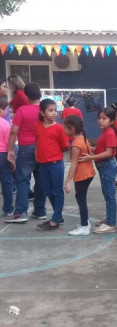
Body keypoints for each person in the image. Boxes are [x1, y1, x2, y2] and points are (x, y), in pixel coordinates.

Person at [5, 82, 46, 224]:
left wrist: (10, 149)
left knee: (22, 180)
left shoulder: (22, 110)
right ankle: (40, 211)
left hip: (26, 147)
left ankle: (21, 212)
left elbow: (14, 131)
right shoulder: (45, 110)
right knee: (41, 180)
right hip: (42, 147)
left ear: (26, 96)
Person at [78, 107, 117, 234]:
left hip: (107, 166)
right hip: (104, 166)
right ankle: (109, 218)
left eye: (104, 118)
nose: (100, 121)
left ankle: (111, 224)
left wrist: (91, 157)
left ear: (111, 121)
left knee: (110, 195)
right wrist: (93, 149)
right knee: (107, 194)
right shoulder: (105, 132)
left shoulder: (110, 132)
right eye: (99, 118)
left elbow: (108, 153)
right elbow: (103, 149)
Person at [35, 99, 69, 231]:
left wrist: (53, 154)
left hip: (55, 165)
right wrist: (38, 156)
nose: (54, 113)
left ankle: (55, 220)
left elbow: (65, 146)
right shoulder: (38, 126)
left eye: (55, 110)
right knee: (48, 191)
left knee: (57, 191)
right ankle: (58, 215)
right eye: (50, 110)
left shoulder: (59, 128)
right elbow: (37, 143)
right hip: (43, 165)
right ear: (42, 112)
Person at [63, 115, 96, 236]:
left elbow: (74, 164)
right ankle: (85, 221)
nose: (63, 129)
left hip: (83, 175)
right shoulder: (82, 138)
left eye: (65, 127)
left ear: (72, 129)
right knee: (80, 197)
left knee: (81, 199)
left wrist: (67, 182)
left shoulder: (76, 143)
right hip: (88, 173)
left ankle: (84, 226)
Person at [0, 97, 13, 216]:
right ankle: (8, 208)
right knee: (6, 182)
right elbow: (10, 142)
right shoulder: (5, 124)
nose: (7, 112)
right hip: (3, 154)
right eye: (7, 109)